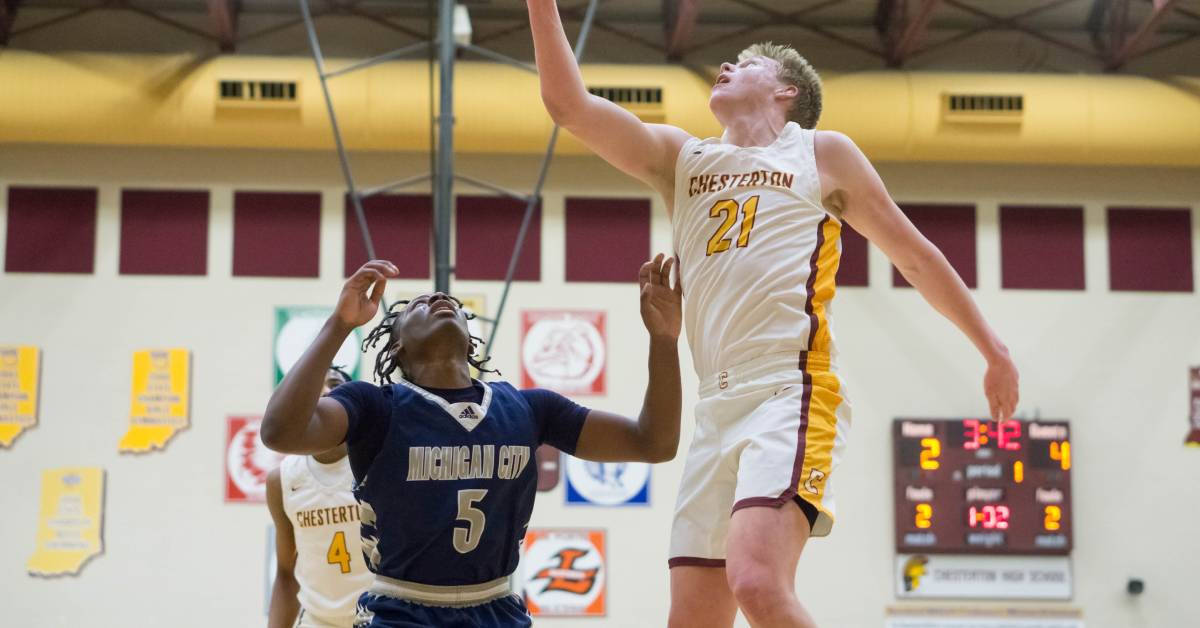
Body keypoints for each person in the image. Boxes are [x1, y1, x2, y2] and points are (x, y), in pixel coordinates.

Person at [525, 4, 1021, 627]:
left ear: (786, 91)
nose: (726, 64)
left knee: (758, 581)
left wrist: (993, 349)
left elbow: (916, 257)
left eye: (748, 62)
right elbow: (571, 107)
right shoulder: (681, 158)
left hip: (790, 388)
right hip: (716, 404)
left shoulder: (822, 153)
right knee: (694, 619)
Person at [261, 255, 684, 628]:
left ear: (470, 335)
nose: (438, 299)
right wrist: (340, 325)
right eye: (417, 305)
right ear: (398, 349)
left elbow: (655, 442)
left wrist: (663, 341)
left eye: (452, 303)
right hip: (402, 610)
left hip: (497, 606)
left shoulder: (529, 408)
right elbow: (281, 431)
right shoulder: (375, 406)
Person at [267, 366, 371, 628]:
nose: (323, 391)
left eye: (334, 384)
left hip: (377, 618)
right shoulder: (282, 479)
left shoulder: (378, 463)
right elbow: (285, 574)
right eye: (315, 386)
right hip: (317, 621)